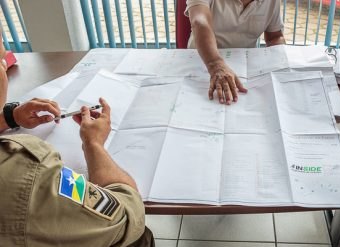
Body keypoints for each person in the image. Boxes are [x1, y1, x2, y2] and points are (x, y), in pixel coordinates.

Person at [0, 37, 153, 246]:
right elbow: (126, 216)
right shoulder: (26, 173)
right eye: (2, 62)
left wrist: (8, 117)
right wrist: (94, 144)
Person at [186, 0, 286, 104]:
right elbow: (200, 22)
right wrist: (215, 65)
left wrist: (282, 62)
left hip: (245, 68)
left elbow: (275, 37)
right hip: (204, 62)